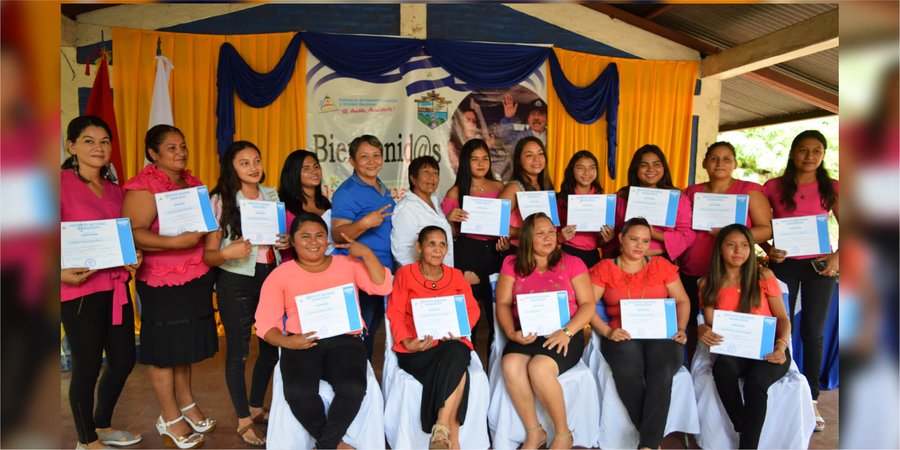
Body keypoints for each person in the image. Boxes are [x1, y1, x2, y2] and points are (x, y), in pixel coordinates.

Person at [256, 212, 392, 450]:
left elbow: (383, 286)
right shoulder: (281, 274)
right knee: (298, 392)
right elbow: (266, 323)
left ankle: (326, 445)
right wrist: (288, 343)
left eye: (319, 235)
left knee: (353, 388)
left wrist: (367, 254)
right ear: (293, 240)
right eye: (305, 236)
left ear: (327, 239)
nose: (313, 242)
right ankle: (335, 445)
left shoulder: (346, 264)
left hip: (345, 340)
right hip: (302, 342)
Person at [122, 124, 217, 449]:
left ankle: (187, 403)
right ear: (153, 153)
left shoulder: (192, 183)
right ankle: (169, 415)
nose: (181, 152)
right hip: (161, 281)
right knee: (164, 350)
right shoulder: (144, 186)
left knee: (184, 346)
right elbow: (133, 232)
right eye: (172, 148)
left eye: (183, 146)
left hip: (195, 276)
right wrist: (175, 242)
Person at [60, 116, 142, 449]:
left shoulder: (115, 191)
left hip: (115, 288)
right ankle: (86, 440)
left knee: (123, 360)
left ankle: (102, 424)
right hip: (78, 290)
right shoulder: (57, 184)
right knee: (87, 365)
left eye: (105, 141)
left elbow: (120, 237)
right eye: (89, 140)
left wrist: (133, 254)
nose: (99, 147)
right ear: (72, 146)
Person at [203, 141, 289, 447]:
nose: (254, 167)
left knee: (269, 348)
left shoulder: (271, 195)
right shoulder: (220, 200)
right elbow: (209, 256)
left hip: (271, 277)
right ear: (232, 167)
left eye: (257, 161)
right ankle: (243, 420)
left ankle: (255, 406)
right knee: (239, 352)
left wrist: (284, 241)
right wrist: (229, 251)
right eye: (245, 163)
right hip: (236, 280)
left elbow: (279, 238)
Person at [588, 217, 690, 450]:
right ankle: (651, 441)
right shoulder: (606, 267)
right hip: (622, 333)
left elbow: (682, 300)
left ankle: (647, 445)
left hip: (662, 332)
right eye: (634, 239)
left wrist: (682, 328)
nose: (639, 245)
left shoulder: (661, 266)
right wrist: (606, 331)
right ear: (621, 239)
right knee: (628, 372)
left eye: (645, 241)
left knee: (661, 373)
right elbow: (588, 305)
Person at [496, 213, 596, 450]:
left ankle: (563, 434)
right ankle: (535, 432)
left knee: (539, 368)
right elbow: (502, 303)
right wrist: (511, 334)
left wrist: (567, 333)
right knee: (510, 364)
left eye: (551, 231)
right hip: (527, 332)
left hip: (564, 333)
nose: (548, 237)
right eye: (540, 233)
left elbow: (588, 305)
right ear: (528, 237)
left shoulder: (573, 263)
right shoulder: (511, 264)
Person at [761, 130, 839, 432]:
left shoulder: (831, 187)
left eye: (816, 150)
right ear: (793, 152)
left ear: (823, 154)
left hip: (820, 267)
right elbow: (759, 225)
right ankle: (781, 389)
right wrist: (768, 250)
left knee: (813, 332)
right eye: (803, 150)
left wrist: (838, 257)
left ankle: (812, 398)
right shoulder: (773, 187)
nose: (809, 156)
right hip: (785, 266)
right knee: (782, 326)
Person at [698, 224, 792, 449]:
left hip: (769, 347)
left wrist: (781, 346)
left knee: (756, 382)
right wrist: (702, 329)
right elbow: (711, 323)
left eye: (744, 245)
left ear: (751, 249)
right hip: (734, 347)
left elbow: (783, 318)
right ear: (720, 249)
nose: (738, 251)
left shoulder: (763, 276)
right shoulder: (708, 282)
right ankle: (744, 425)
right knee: (723, 369)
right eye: (731, 245)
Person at [387, 226, 481, 449]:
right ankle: (452, 437)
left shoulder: (456, 276)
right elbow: (395, 313)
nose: (438, 250)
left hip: (450, 341)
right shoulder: (405, 274)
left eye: (442, 245)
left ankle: (440, 429)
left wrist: (460, 329)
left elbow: (472, 310)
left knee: (456, 351)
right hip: (419, 348)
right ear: (419, 247)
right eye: (431, 244)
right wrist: (408, 341)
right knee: (459, 370)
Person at [680, 142, 773, 364]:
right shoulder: (692, 192)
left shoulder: (749, 191)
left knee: (729, 322)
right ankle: (695, 370)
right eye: (714, 158)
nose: (720, 163)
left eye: (726, 158)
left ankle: (730, 368)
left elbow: (766, 229)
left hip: (733, 272)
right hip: (694, 268)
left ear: (735, 163)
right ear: (704, 163)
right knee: (694, 324)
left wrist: (729, 235)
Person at [442, 138, 509, 354]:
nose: (481, 163)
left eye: (485, 159)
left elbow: (509, 224)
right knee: (469, 315)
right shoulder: (455, 192)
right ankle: (467, 363)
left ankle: (494, 370)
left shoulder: (501, 188)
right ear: (465, 162)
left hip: (497, 254)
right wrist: (449, 219)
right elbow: (446, 235)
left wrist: (505, 242)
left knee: (496, 316)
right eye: (474, 159)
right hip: (467, 254)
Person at [331, 135, 395, 359]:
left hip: (382, 270)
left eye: (376, 155)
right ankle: (356, 382)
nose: (372, 161)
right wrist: (364, 223)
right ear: (352, 161)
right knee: (360, 331)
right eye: (364, 157)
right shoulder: (346, 192)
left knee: (372, 327)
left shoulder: (380, 186)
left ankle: (363, 379)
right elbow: (337, 233)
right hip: (359, 272)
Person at [609, 145, 695, 261]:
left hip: (660, 260)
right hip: (625, 260)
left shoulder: (677, 197)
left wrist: (654, 234)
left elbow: (687, 235)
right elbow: (614, 233)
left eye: (656, 164)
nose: (650, 169)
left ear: (663, 168)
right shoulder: (622, 196)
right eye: (644, 165)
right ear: (636, 169)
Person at [556, 150, 615, 268]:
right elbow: (550, 234)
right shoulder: (560, 200)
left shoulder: (604, 201)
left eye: (592, 168)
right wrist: (560, 238)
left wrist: (606, 239)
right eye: (581, 168)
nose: (587, 172)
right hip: (567, 253)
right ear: (572, 170)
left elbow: (599, 241)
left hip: (593, 255)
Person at [391, 156, 454, 267]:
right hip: (423, 278)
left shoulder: (435, 202)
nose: (432, 177)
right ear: (413, 179)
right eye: (426, 172)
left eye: (435, 173)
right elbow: (401, 252)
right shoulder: (406, 208)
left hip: (443, 275)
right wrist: (422, 277)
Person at [498, 136, 554, 249]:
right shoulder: (514, 187)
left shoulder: (545, 186)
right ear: (519, 160)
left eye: (540, 153)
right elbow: (494, 221)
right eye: (529, 155)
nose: (536, 159)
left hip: (542, 253)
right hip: (520, 252)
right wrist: (525, 234)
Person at [278, 149, 334, 261]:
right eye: (306, 168)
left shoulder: (326, 203)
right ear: (294, 173)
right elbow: (271, 239)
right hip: (293, 268)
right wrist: (290, 240)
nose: (314, 171)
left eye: (316, 166)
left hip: (325, 266)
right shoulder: (281, 204)